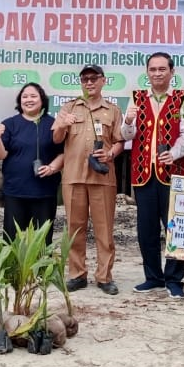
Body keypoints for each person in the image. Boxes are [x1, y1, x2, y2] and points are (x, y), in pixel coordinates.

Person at [122, 52, 184, 298]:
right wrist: (128, 121)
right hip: (143, 173)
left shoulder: (183, 98)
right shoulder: (136, 98)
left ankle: (174, 279)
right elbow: (127, 135)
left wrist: (174, 153)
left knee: (175, 228)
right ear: (147, 72)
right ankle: (153, 277)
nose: (157, 73)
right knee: (146, 229)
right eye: (153, 69)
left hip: (173, 173)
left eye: (162, 69)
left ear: (172, 72)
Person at [53, 64, 126, 295]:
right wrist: (62, 125)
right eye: (84, 79)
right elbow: (56, 139)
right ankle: (77, 274)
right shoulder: (68, 107)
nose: (89, 82)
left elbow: (119, 141)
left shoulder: (113, 110)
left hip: (102, 178)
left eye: (94, 78)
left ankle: (104, 276)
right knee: (75, 229)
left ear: (104, 81)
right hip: (73, 177)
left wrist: (111, 153)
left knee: (105, 230)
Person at [0, 83, 64, 244]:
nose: (28, 100)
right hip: (16, 191)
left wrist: (52, 168)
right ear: (19, 101)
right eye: (25, 96)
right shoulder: (10, 124)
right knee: (12, 238)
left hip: (44, 191)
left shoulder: (53, 124)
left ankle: (42, 269)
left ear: (42, 100)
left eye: (33, 96)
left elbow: (63, 153)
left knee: (43, 240)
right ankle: (12, 269)